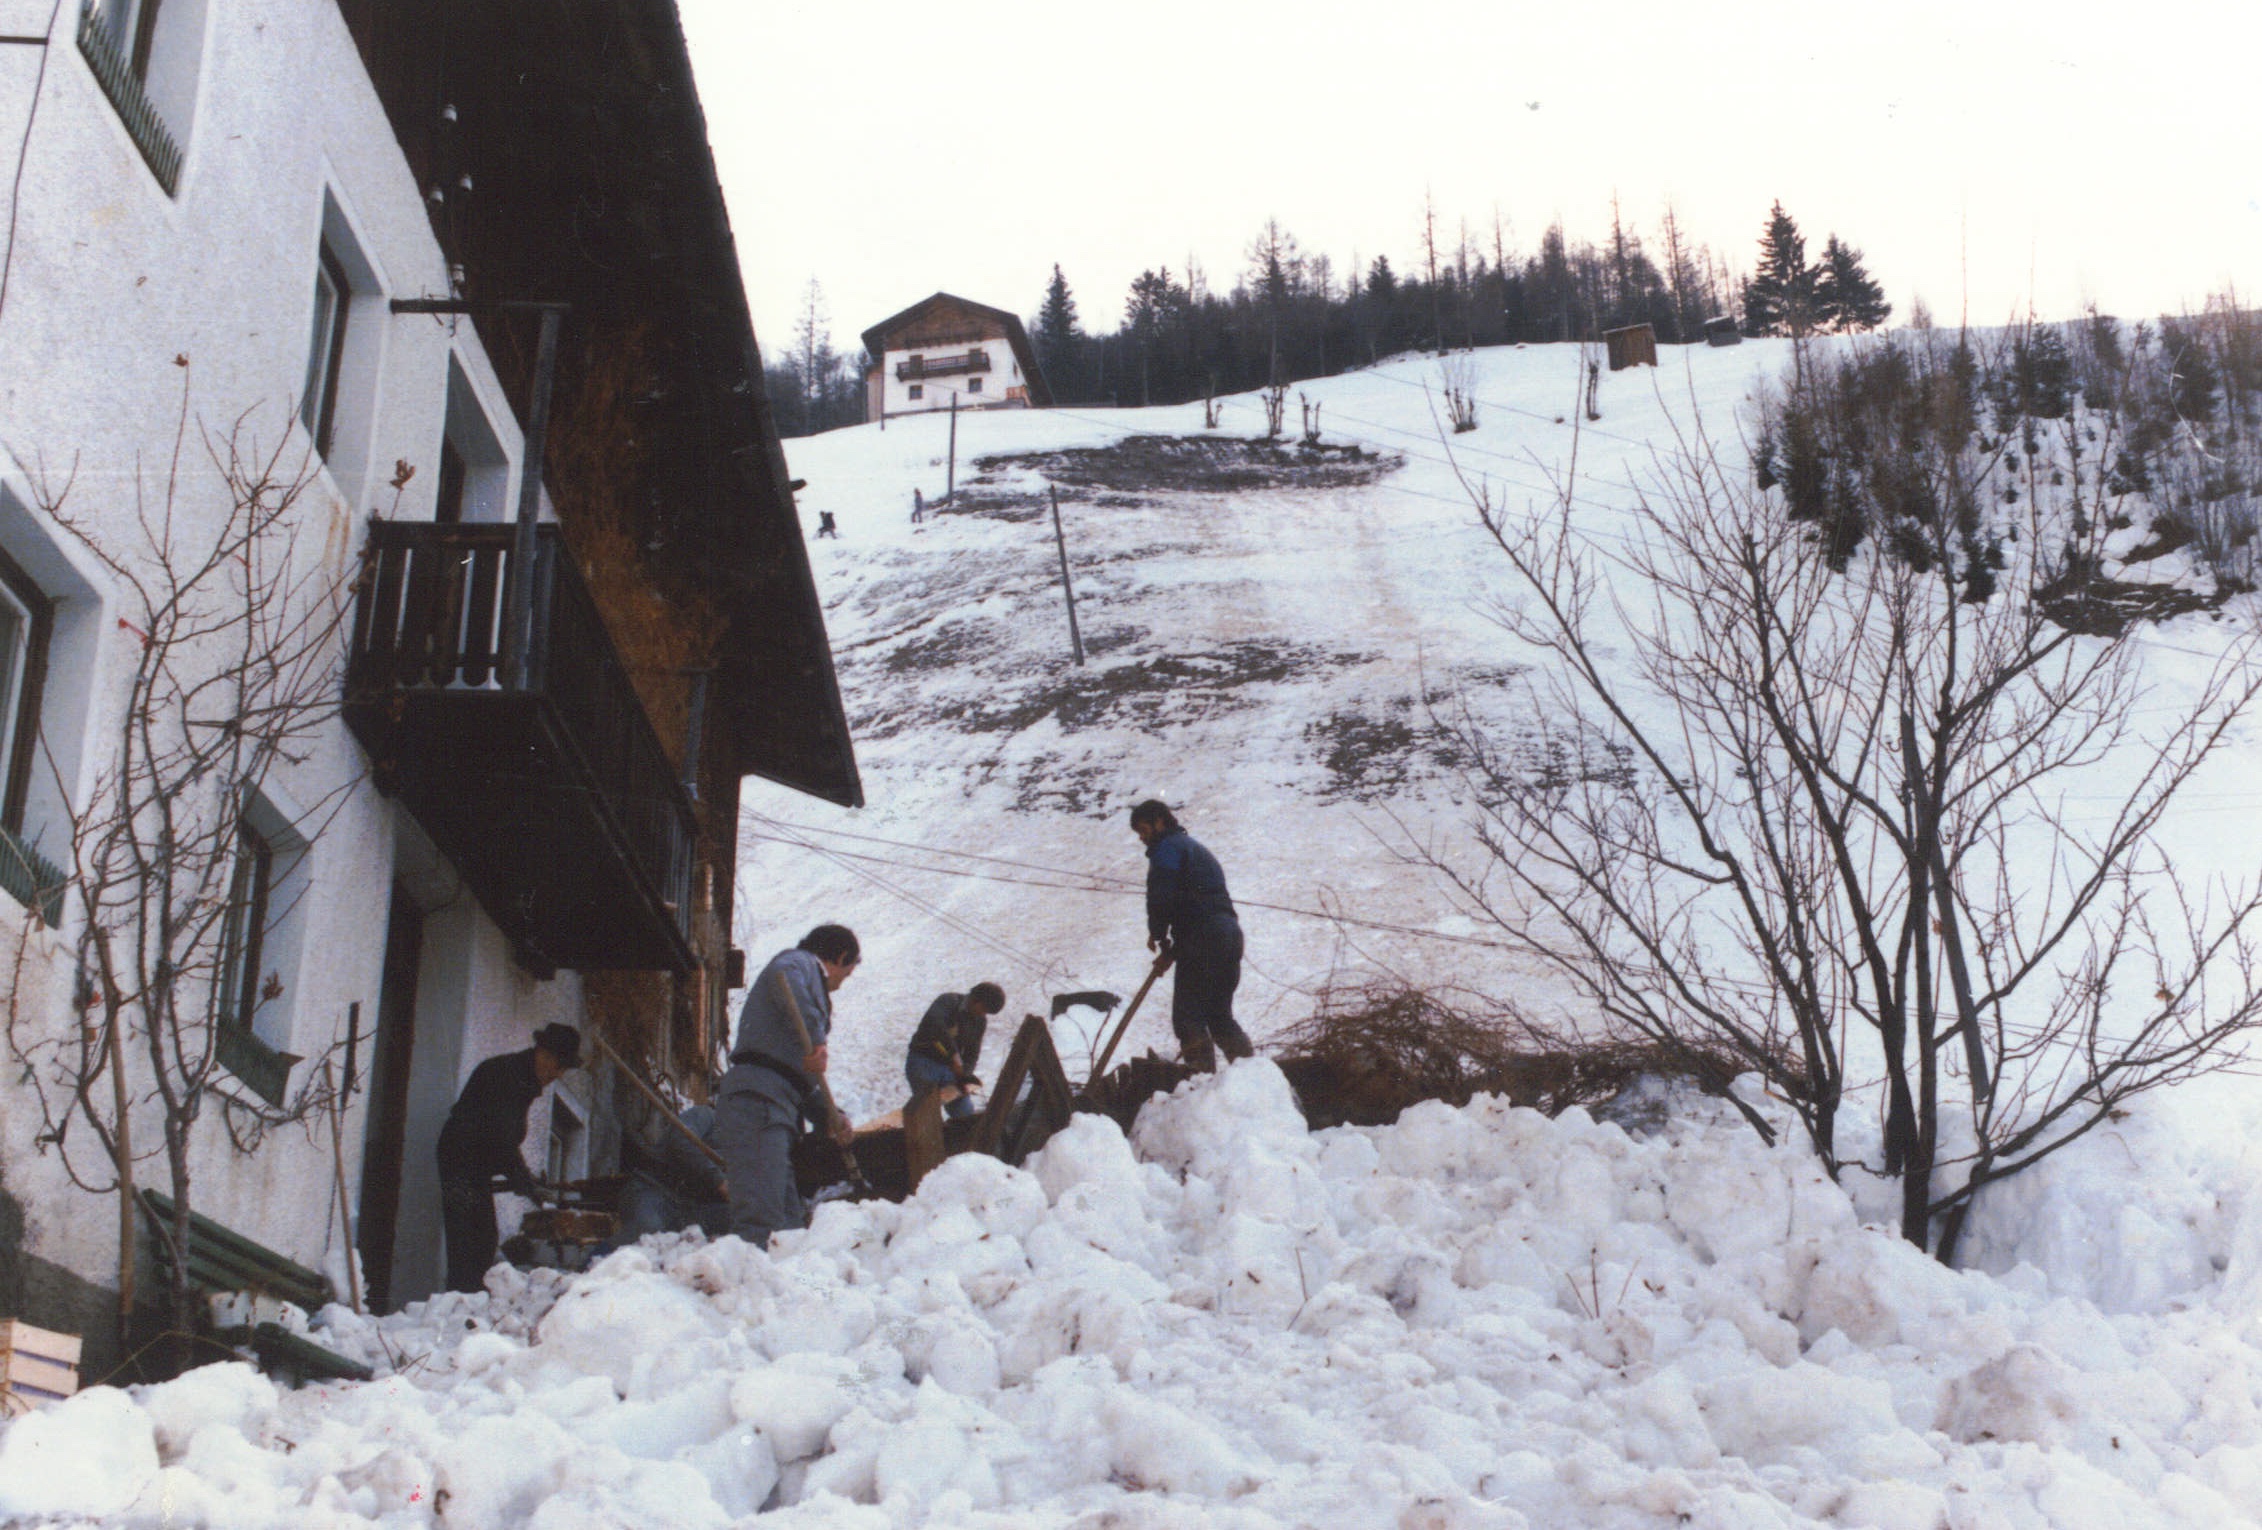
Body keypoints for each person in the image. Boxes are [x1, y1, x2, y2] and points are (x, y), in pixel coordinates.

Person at [716, 924, 860, 1248]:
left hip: (777, 1104)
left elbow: (802, 1078)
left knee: (787, 1223)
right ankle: (746, 1292)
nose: (839, 984)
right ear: (839, 957)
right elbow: (785, 976)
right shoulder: (799, 964)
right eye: (846, 974)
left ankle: (779, 1292)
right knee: (762, 1218)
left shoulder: (804, 988)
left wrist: (830, 1116)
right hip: (758, 1100)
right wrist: (817, 1039)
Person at [435, 1023, 580, 1293]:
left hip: (476, 1166)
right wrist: (524, 1181)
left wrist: (525, 1180)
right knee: (469, 1239)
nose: (557, 1075)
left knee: (483, 1238)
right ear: (544, 1055)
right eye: (558, 1066)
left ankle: (466, 1299)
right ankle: (460, 1301)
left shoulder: (522, 1079)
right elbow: (500, 1137)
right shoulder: (506, 1076)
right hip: (460, 1162)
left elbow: (504, 1141)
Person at [1131, 800, 1253, 1071]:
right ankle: (1253, 1077)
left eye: (1143, 830)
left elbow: (1162, 896)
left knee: (1188, 1018)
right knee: (1219, 1016)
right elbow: (1196, 907)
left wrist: (1159, 935)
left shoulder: (1167, 850)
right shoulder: (1193, 848)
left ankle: (1202, 1085)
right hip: (1229, 936)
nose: (1141, 838)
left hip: (1203, 938)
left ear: (1160, 821)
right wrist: (1173, 949)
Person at [904, 982, 1003, 1120]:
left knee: (964, 1113)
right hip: (923, 1061)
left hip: (948, 1069)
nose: (983, 1014)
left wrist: (965, 1074)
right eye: (984, 1009)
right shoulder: (948, 1002)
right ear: (976, 1000)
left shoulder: (980, 1021)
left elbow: (972, 1053)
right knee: (928, 1113)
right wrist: (954, 1057)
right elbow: (935, 1027)